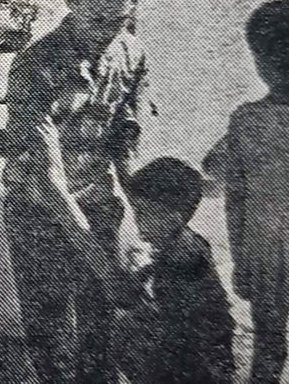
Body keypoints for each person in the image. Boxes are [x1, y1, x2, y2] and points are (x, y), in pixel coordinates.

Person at [3, 0, 148, 384]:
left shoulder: (132, 54)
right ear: (70, 1)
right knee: (53, 341)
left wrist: (141, 233)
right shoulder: (34, 66)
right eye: (97, 20)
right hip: (38, 212)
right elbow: (48, 183)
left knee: (100, 337)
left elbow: (125, 147)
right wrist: (107, 269)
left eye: (120, 21)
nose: (108, 33)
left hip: (98, 205)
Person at [31, 120, 235, 384]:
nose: (136, 220)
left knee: (123, 329)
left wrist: (54, 177)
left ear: (173, 217)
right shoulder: (186, 240)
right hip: (209, 363)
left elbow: (94, 252)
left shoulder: (183, 255)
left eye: (144, 213)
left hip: (194, 370)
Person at [224, 0, 289, 384]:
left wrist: (238, 260)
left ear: (258, 60)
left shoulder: (246, 119)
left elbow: (236, 200)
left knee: (268, 348)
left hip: (266, 249)